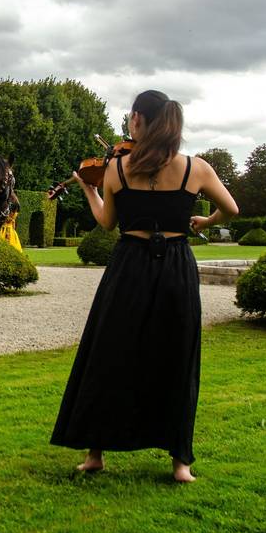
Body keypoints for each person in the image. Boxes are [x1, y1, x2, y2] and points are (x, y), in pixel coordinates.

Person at [49, 90, 238, 483]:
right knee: (177, 356)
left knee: (108, 353)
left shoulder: (118, 169)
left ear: (136, 120)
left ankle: (95, 454)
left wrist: (89, 189)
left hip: (129, 264)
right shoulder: (196, 168)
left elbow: (106, 222)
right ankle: (180, 464)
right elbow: (232, 209)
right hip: (176, 265)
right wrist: (203, 221)